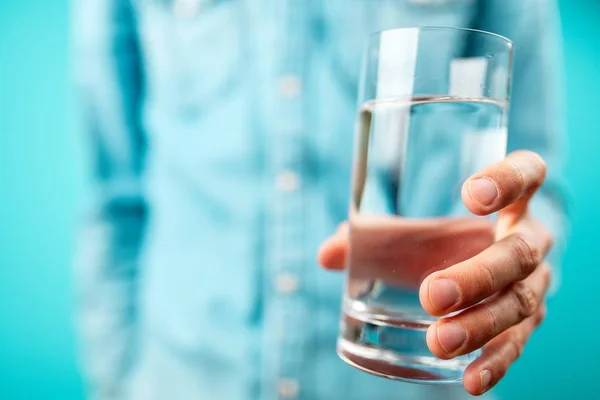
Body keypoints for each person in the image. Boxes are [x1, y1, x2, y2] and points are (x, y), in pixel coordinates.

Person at [73, 0, 567, 399]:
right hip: (181, 381)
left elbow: (532, 184)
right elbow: (115, 200)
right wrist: (116, 383)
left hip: (413, 378)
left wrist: (522, 247)